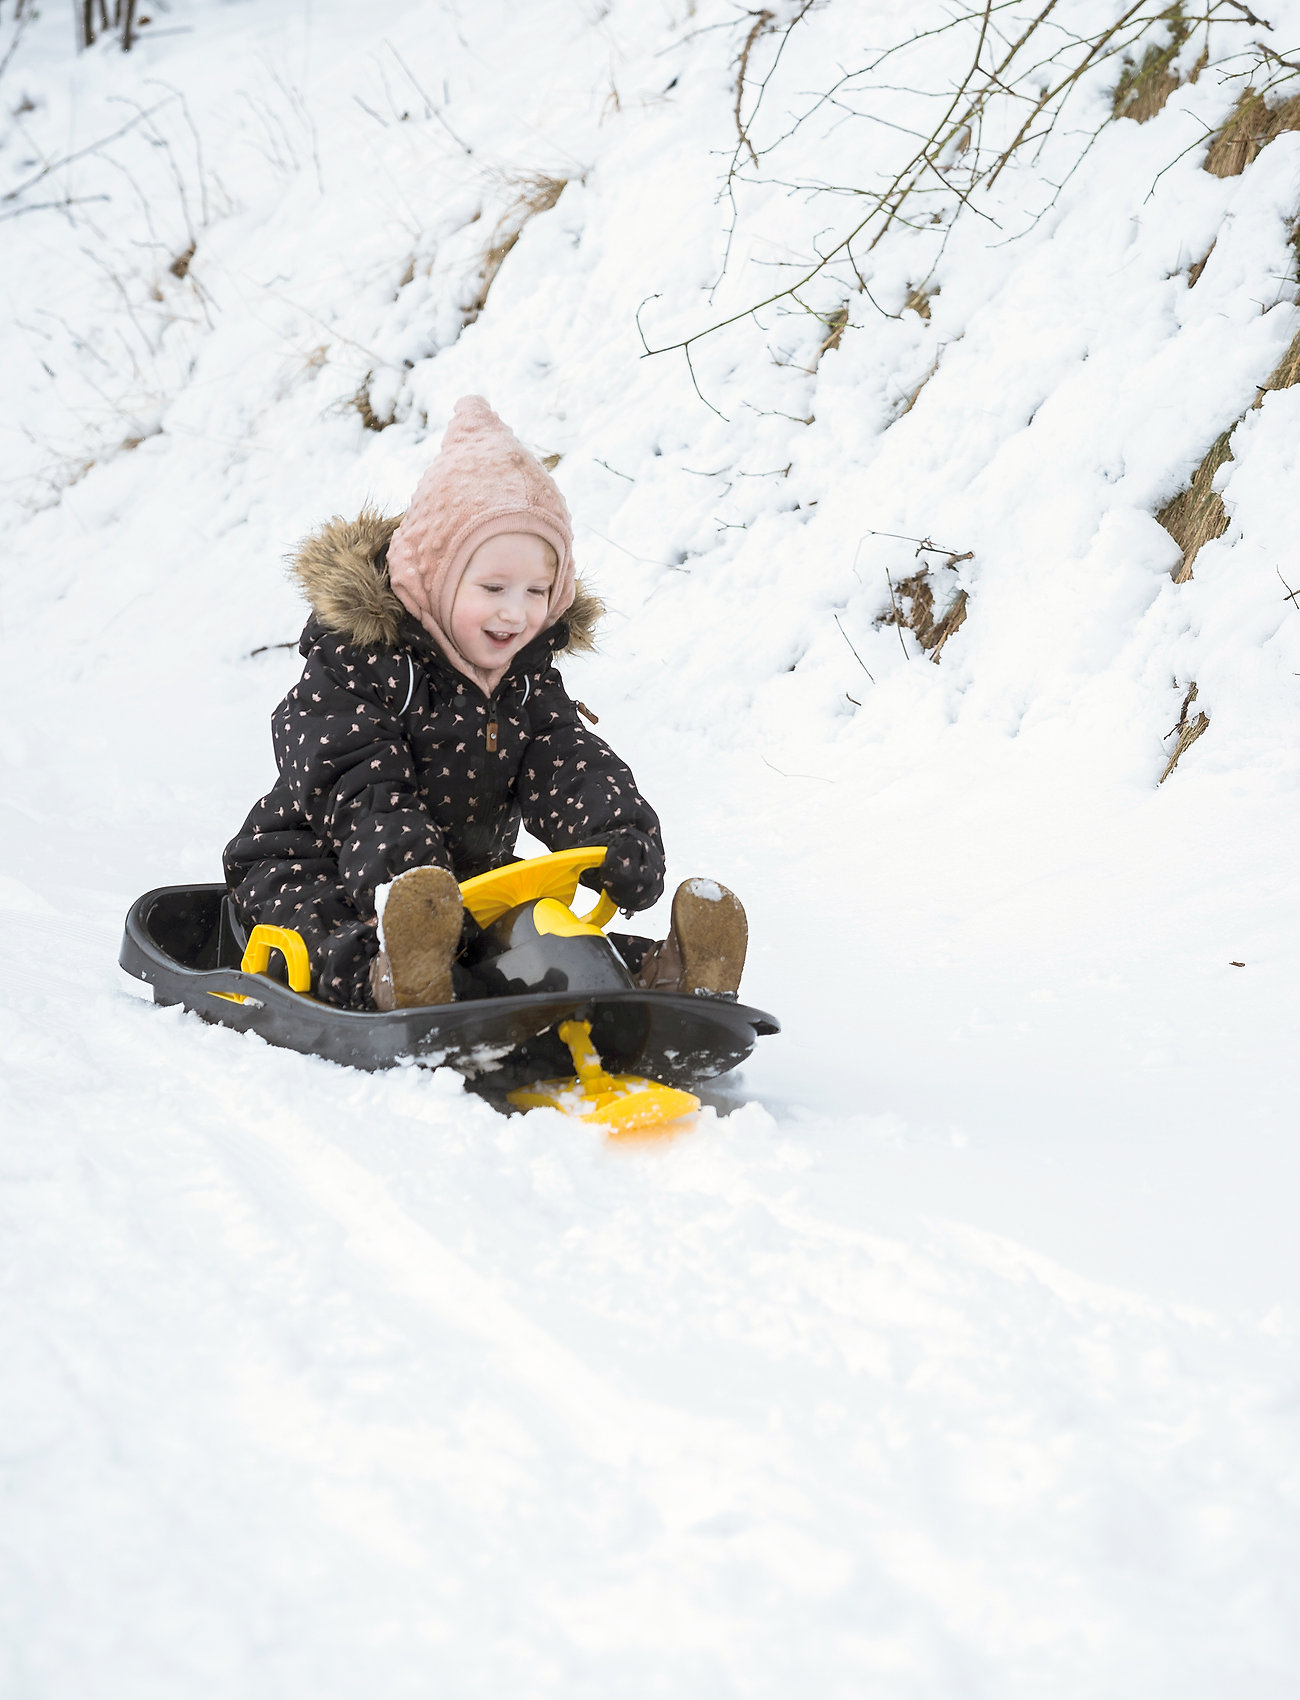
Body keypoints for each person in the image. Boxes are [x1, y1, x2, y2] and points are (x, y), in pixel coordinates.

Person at [224, 395, 747, 1010]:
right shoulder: (360, 667)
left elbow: (565, 761)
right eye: (493, 587)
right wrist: (407, 877)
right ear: (432, 579)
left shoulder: (525, 682)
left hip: (457, 887)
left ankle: (664, 974)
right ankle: (395, 979)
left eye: (537, 591)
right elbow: (354, 778)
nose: (515, 612)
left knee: (529, 933)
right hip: (314, 864)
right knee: (334, 931)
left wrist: (615, 834)